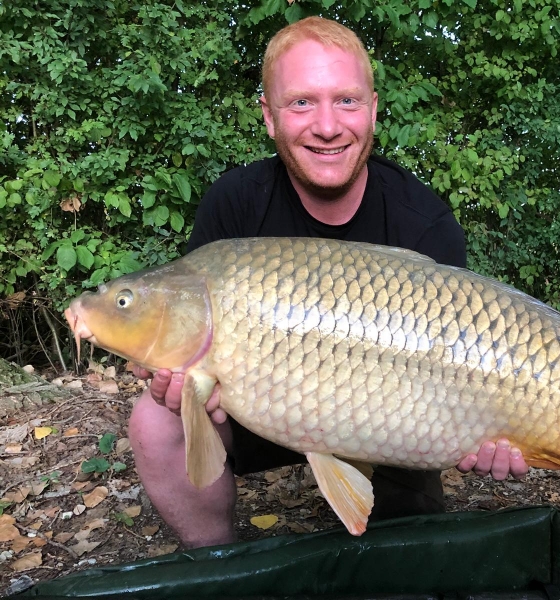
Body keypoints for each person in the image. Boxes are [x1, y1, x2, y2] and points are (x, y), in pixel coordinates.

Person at [128, 16, 528, 549]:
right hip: (259, 408)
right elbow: (186, 342)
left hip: (395, 417)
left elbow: (462, 367)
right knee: (156, 422)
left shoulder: (422, 220)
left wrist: (495, 432)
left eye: (346, 101)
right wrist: (179, 378)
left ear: (373, 110)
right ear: (269, 117)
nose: (327, 125)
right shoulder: (235, 204)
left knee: (401, 560)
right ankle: (218, 565)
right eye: (300, 103)